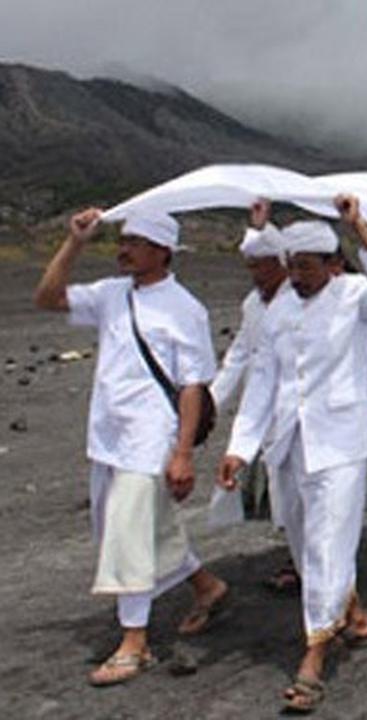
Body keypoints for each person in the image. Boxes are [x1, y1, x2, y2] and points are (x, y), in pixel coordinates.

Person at [218, 196, 367, 713]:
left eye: (306, 266)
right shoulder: (278, 310)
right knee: (303, 541)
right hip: (290, 443)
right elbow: (262, 380)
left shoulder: (355, 296)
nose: (297, 276)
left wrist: (359, 224)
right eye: (292, 266)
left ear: (332, 264)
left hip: (341, 442)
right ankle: (354, 615)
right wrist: (239, 448)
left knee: (327, 544)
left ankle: (314, 657)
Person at [34, 209, 228, 687]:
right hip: (107, 434)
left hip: (150, 436)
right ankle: (207, 586)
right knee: (131, 526)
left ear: (163, 250)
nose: (124, 249)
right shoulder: (110, 294)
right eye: (123, 240)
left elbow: (191, 387)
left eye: (136, 242)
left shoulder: (186, 308)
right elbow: (48, 297)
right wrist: (76, 241)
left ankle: (135, 643)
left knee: (127, 535)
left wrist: (182, 453)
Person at [210, 200, 297, 591]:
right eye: (251, 267)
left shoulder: (302, 299)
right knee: (280, 491)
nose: (256, 274)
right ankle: (299, 559)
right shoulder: (252, 304)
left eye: (262, 265)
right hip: (265, 409)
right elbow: (239, 356)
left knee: (301, 493)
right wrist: (209, 404)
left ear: (282, 263)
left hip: (301, 413)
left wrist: (261, 225)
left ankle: (312, 569)